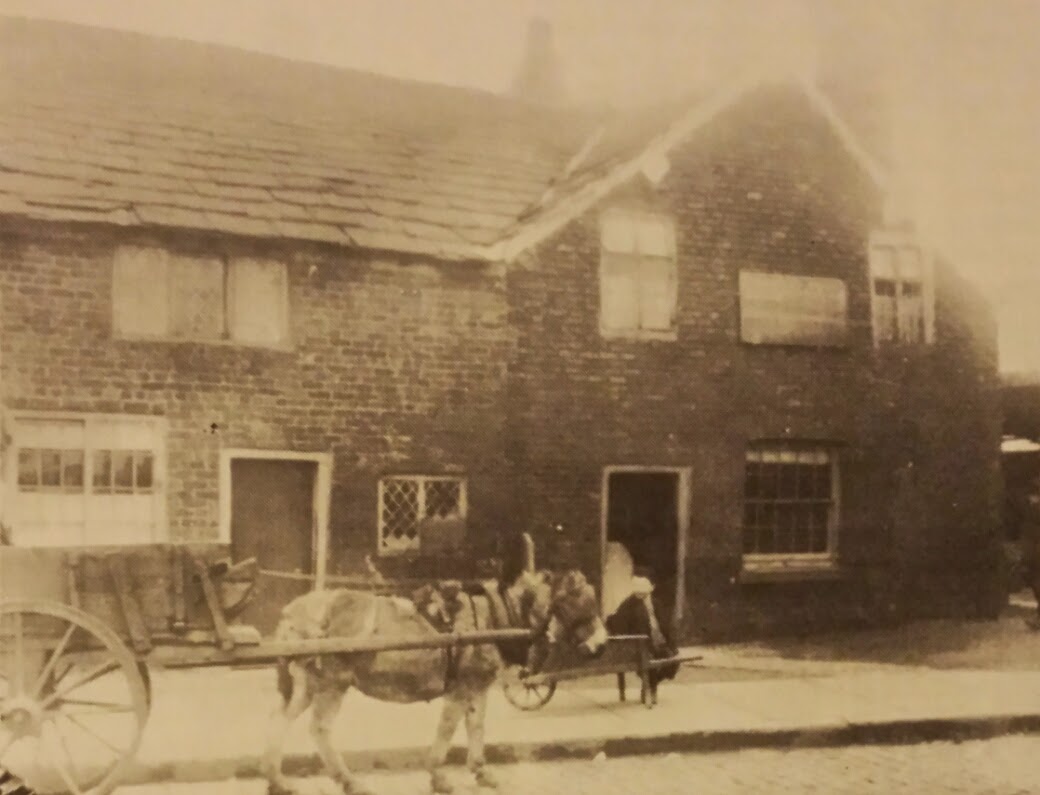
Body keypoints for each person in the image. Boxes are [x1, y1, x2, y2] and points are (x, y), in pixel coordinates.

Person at [1019, 475, 1040, 628]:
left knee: (1037, 582)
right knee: (1035, 582)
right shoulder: (1031, 509)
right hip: (1033, 548)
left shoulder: (1034, 509)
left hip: (1035, 549)